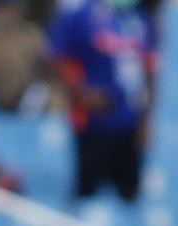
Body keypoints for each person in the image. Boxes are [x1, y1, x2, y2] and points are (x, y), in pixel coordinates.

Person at [50, 0, 157, 207]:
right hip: (93, 126)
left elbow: (150, 73)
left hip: (130, 128)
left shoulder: (142, 20)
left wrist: (146, 121)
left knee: (128, 199)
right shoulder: (80, 15)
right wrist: (81, 93)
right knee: (87, 199)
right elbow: (56, 58)